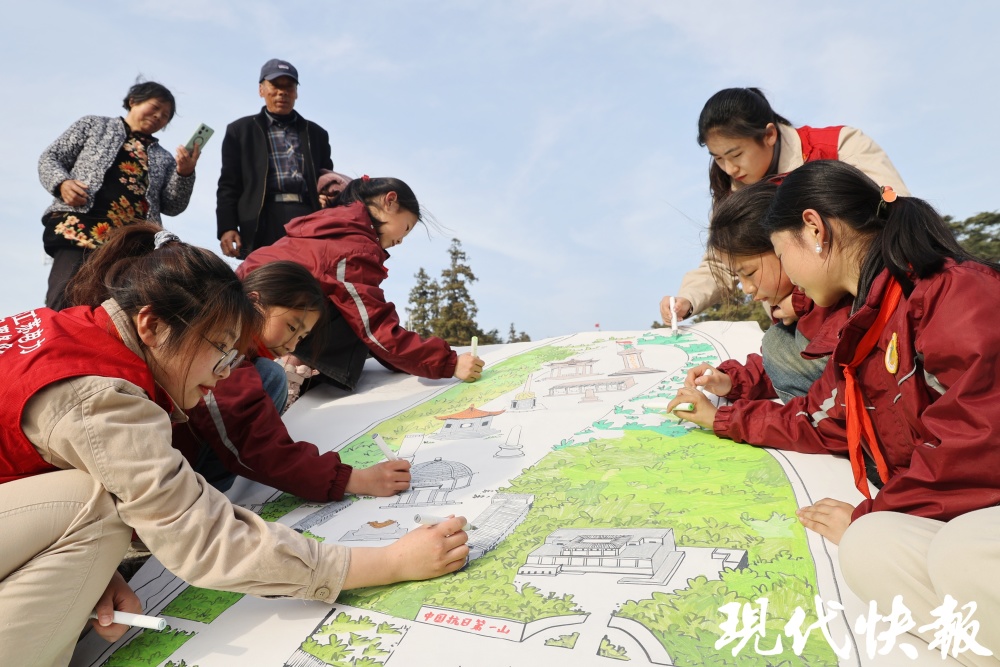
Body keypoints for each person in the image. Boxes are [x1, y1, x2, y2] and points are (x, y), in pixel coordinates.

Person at [0, 224, 469, 667]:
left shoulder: (71, 330)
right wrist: (387, 561)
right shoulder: (101, 398)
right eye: (221, 348)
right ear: (152, 326)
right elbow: (205, 540)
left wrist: (99, 572)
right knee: (98, 508)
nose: (226, 371)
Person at [668, 160, 1000, 546]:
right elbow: (818, 416)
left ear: (814, 229)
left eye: (778, 252)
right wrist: (724, 418)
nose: (788, 275)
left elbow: (976, 445)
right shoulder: (865, 327)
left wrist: (873, 517)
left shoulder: (953, 296)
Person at [658, 87, 909, 325]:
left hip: (869, 299)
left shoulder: (840, 147)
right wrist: (688, 300)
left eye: (735, 155)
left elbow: (896, 214)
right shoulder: (731, 193)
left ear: (769, 135)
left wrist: (805, 298)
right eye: (718, 158)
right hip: (797, 324)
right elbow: (723, 262)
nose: (729, 169)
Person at [172, 260, 413, 500]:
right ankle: (198, 498)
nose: (292, 344)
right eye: (290, 327)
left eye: (301, 337)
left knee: (269, 375)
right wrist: (353, 480)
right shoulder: (224, 354)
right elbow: (257, 447)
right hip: (168, 481)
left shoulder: (245, 356)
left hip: (183, 460)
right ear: (255, 302)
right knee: (270, 375)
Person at [238, 176, 484, 392]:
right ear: (390, 201)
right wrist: (448, 363)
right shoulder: (355, 247)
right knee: (354, 317)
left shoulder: (333, 223)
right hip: (268, 315)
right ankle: (296, 371)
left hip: (240, 307)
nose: (400, 241)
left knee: (351, 308)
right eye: (406, 228)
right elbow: (374, 326)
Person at [37, 80, 199, 310]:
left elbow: (173, 205)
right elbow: (51, 157)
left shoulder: (164, 158)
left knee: (112, 310)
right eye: (154, 107)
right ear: (133, 101)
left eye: (165, 116)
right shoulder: (93, 125)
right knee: (64, 300)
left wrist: (185, 173)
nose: (158, 116)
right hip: (80, 228)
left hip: (131, 244)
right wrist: (62, 184)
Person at [686, 179, 851, 404]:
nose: (748, 289)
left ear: (781, 245)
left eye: (750, 272)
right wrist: (731, 381)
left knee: (775, 341)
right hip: (831, 411)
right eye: (739, 277)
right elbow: (783, 367)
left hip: (845, 413)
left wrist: (804, 301)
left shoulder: (838, 286)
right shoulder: (784, 308)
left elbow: (841, 340)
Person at [216, 58, 334, 258]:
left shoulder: (316, 133)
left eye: (289, 86)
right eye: (275, 85)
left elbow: (328, 181)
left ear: (296, 92)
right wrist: (227, 227)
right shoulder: (240, 131)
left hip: (307, 216)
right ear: (261, 90)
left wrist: (328, 201)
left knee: (306, 278)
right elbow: (229, 184)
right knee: (264, 279)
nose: (282, 92)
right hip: (261, 217)